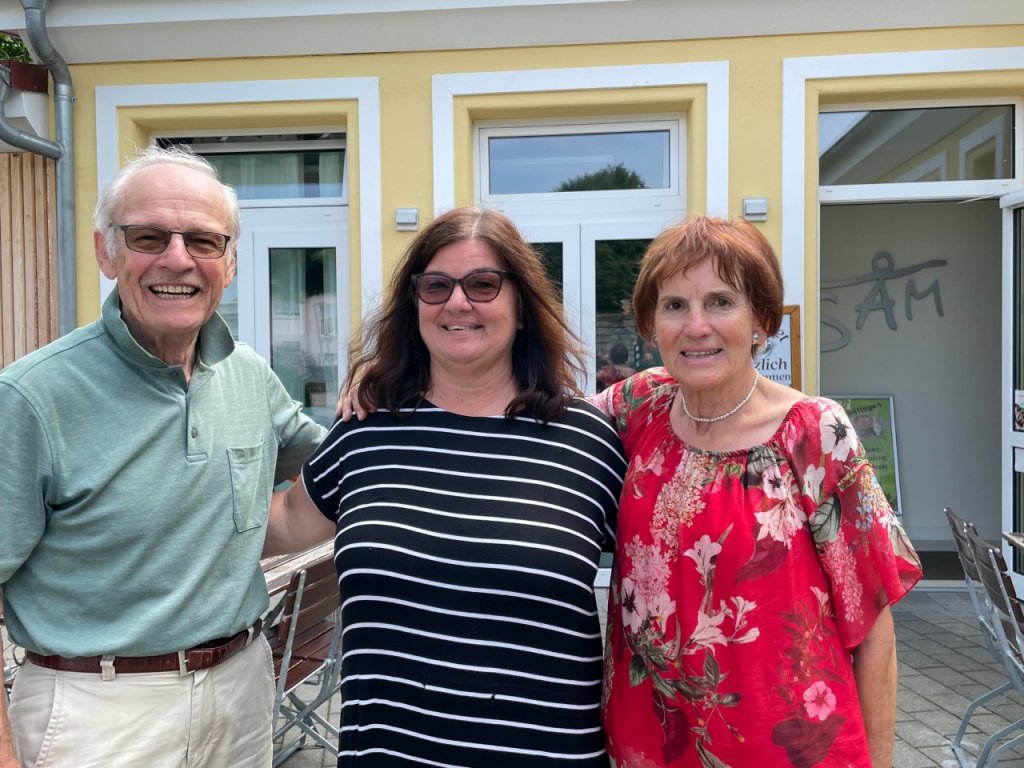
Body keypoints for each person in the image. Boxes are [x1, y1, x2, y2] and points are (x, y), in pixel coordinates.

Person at [0, 146, 327, 768]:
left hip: (241, 692)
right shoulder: (29, 399)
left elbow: (338, 464)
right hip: (98, 713)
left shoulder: (248, 375)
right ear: (106, 251)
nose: (177, 259)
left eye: (203, 240)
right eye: (149, 236)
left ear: (229, 262)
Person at [264, 206, 626, 766]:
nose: (458, 303)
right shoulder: (367, 429)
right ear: (415, 306)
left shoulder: (587, 439)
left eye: (483, 284)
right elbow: (287, 522)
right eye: (436, 286)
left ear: (522, 307)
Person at [595, 215, 922, 768]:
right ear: (652, 323)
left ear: (761, 321)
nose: (696, 326)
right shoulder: (637, 407)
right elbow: (537, 431)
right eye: (675, 305)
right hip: (648, 744)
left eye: (721, 302)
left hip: (786, 748)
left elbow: (872, 621)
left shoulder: (815, 432)